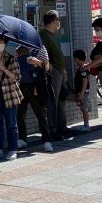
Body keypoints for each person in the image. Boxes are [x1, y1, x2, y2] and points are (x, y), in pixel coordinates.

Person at [40, 11, 70, 140]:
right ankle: (52, 130)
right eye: (58, 20)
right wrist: (50, 66)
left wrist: (63, 71)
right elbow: (41, 54)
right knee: (52, 101)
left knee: (59, 101)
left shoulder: (52, 35)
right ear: (53, 21)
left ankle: (61, 127)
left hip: (59, 71)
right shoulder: (43, 35)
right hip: (52, 73)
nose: (59, 23)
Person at [15, 46, 52, 150]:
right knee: (20, 114)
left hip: (36, 86)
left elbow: (47, 68)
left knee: (41, 114)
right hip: (21, 86)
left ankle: (46, 140)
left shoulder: (41, 48)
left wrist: (37, 62)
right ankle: (22, 139)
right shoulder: (18, 48)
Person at [72, 49, 92, 131]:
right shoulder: (83, 67)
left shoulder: (82, 69)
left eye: (74, 59)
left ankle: (86, 125)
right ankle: (86, 124)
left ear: (76, 59)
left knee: (84, 108)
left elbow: (85, 81)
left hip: (83, 92)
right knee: (83, 108)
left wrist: (81, 94)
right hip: (82, 92)